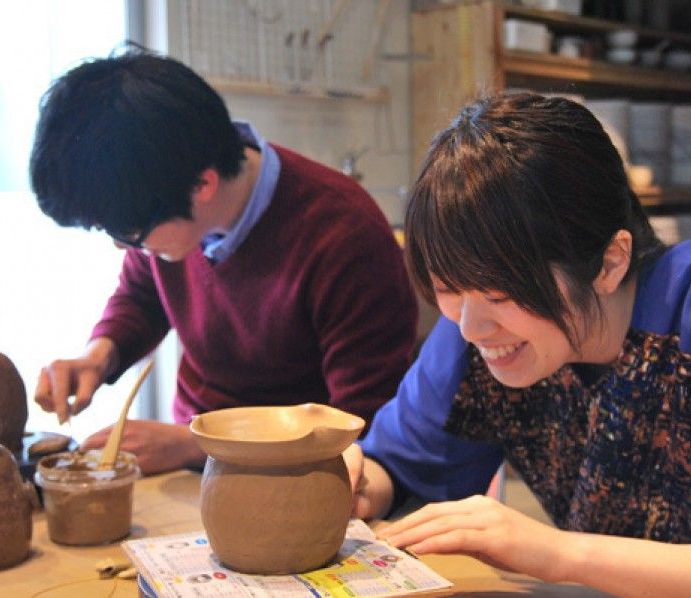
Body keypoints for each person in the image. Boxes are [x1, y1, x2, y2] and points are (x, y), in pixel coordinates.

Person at [346, 93, 691, 597]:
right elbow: (404, 464)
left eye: (500, 292)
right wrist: (356, 485)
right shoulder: (479, 334)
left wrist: (558, 554)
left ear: (608, 263)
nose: (471, 326)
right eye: (448, 287)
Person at [28, 45, 418, 476]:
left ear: (204, 185)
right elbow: (143, 294)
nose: (124, 247)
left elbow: (360, 429)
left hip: (304, 481)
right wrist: (97, 356)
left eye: (129, 234)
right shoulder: (168, 206)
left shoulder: (344, 236)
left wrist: (195, 445)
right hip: (197, 467)